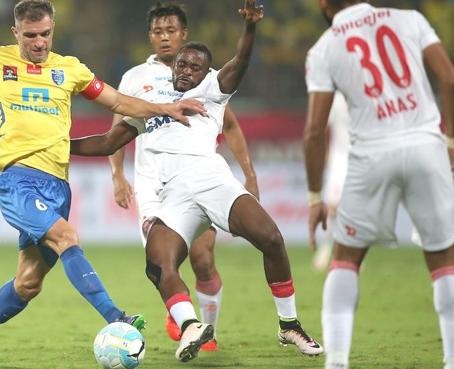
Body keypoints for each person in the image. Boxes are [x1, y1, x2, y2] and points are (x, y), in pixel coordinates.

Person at [0, 0, 206, 365]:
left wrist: (165, 108)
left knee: (28, 284)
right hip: (18, 182)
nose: (39, 43)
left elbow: (118, 101)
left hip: (58, 185)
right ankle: (116, 317)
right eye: (30, 36)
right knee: (67, 238)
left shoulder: (69, 69)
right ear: (16, 33)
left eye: (45, 34)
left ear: (53, 30)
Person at [71, 0, 323, 362]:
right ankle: (191, 326)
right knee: (157, 263)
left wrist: (250, 28)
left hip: (211, 181)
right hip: (169, 194)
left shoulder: (212, 91)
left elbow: (239, 64)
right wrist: (60, 146)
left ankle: (289, 324)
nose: (186, 70)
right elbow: (108, 141)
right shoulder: (151, 104)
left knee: (271, 238)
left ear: (206, 72)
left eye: (194, 66)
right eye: (182, 64)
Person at [304, 1, 454, 369]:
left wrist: (314, 197)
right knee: (444, 262)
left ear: (324, 3)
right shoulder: (411, 19)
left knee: (344, 261)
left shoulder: (323, 48)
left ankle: (336, 363)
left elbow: (313, 132)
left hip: (371, 155)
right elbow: (449, 79)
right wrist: (449, 142)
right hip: (426, 146)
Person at [107, 2, 259, 351]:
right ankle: (184, 315)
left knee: (203, 259)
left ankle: (207, 333)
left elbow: (231, 125)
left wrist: (248, 174)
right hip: (151, 185)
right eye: (158, 32)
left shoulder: (203, 75)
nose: (164, 37)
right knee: (161, 263)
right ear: (149, 36)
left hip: (195, 179)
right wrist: (117, 174)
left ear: (184, 33)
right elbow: (117, 128)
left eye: (171, 31)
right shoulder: (134, 78)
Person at [312, 91, 351, 271]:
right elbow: (321, 128)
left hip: (361, 160)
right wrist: (325, 153)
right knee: (332, 206)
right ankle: (325, 248)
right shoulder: (337, 99)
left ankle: (349, 250)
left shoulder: (365, 95)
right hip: (339, 160)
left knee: (351, 209)